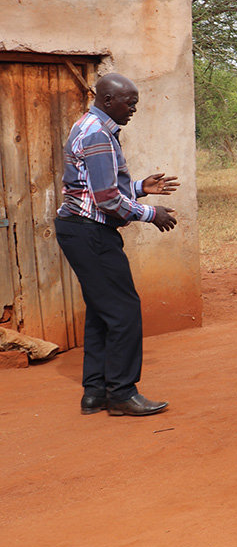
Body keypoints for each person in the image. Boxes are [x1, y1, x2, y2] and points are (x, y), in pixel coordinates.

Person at [54, 73, 179, 417]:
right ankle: (122, 393)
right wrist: (151, 213)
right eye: (130, 102)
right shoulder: (98, 133)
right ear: (108, 100)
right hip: (90, 232)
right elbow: (107, 199)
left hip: (79, 229)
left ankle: (95, 392)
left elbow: (93, 187)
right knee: (124, 313)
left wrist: (138, 186)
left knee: (101, 313)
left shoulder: (90, 125)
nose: (134, 109)